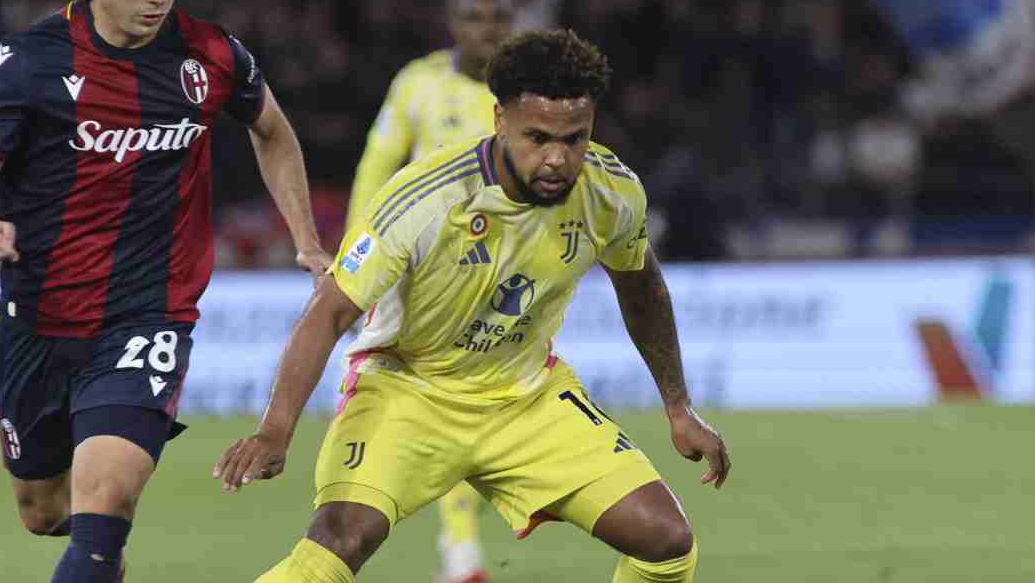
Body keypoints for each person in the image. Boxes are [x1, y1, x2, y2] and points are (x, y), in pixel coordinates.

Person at [215, 29, 731, 583]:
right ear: (500, 120)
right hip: (408, 390)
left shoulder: (611, 192)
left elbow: (641, 287)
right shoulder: (426, 197)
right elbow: (329, 312)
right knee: (341, 539)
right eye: (537, 138)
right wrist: (275, 431)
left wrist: (678, 407)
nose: (557, 159)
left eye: (575, 139)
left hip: (527, 397)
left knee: (667, 542)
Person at [0, 0, 331, 583]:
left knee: (107, 499)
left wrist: (304, 236)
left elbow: (272, 130)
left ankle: (100, 545)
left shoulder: (210, 55)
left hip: (148, 315)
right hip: (39, 318)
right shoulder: (32, 62)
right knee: (44, 511)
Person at [345, 0, 514, 583]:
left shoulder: (526, 91)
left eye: (497, 18)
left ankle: (456, 542)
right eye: (474, 17)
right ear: (453, 23)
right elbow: (376, 165)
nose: (486, 30)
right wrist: (353, 256)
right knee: (450, 404)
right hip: (424, 273)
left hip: (508, 273)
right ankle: (461, 551)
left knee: (484, 415)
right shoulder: (417, 83)